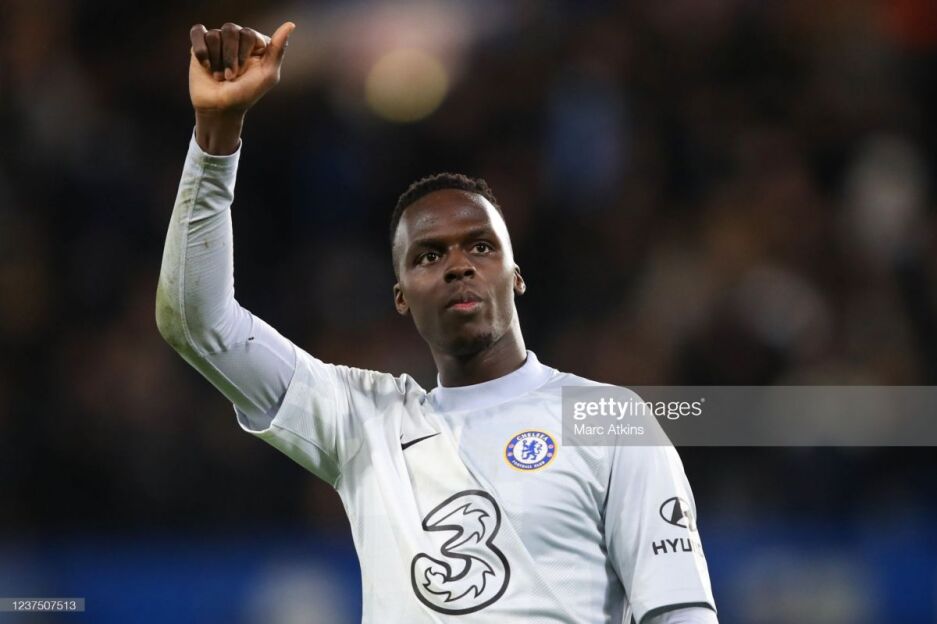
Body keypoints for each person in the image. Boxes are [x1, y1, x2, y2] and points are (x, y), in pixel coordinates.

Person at [156, 20, 718, 624]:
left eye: (481, 246)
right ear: (401, 297)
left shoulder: (609, 420)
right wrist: (216, 139)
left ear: (516, 275)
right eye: (429, 256)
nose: (457, 265)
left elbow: (680, 613)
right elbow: (198, 323)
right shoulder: (366, 424)